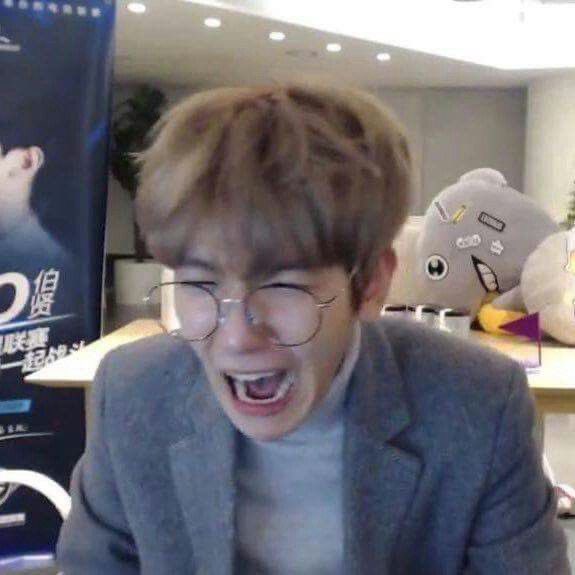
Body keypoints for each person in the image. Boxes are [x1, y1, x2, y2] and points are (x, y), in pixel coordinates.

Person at [56, 84, 570, 574]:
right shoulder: (132, 395)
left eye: (284, 285)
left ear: (370, 284)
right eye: (199, 282)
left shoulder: (478, 406)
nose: (236, 337)